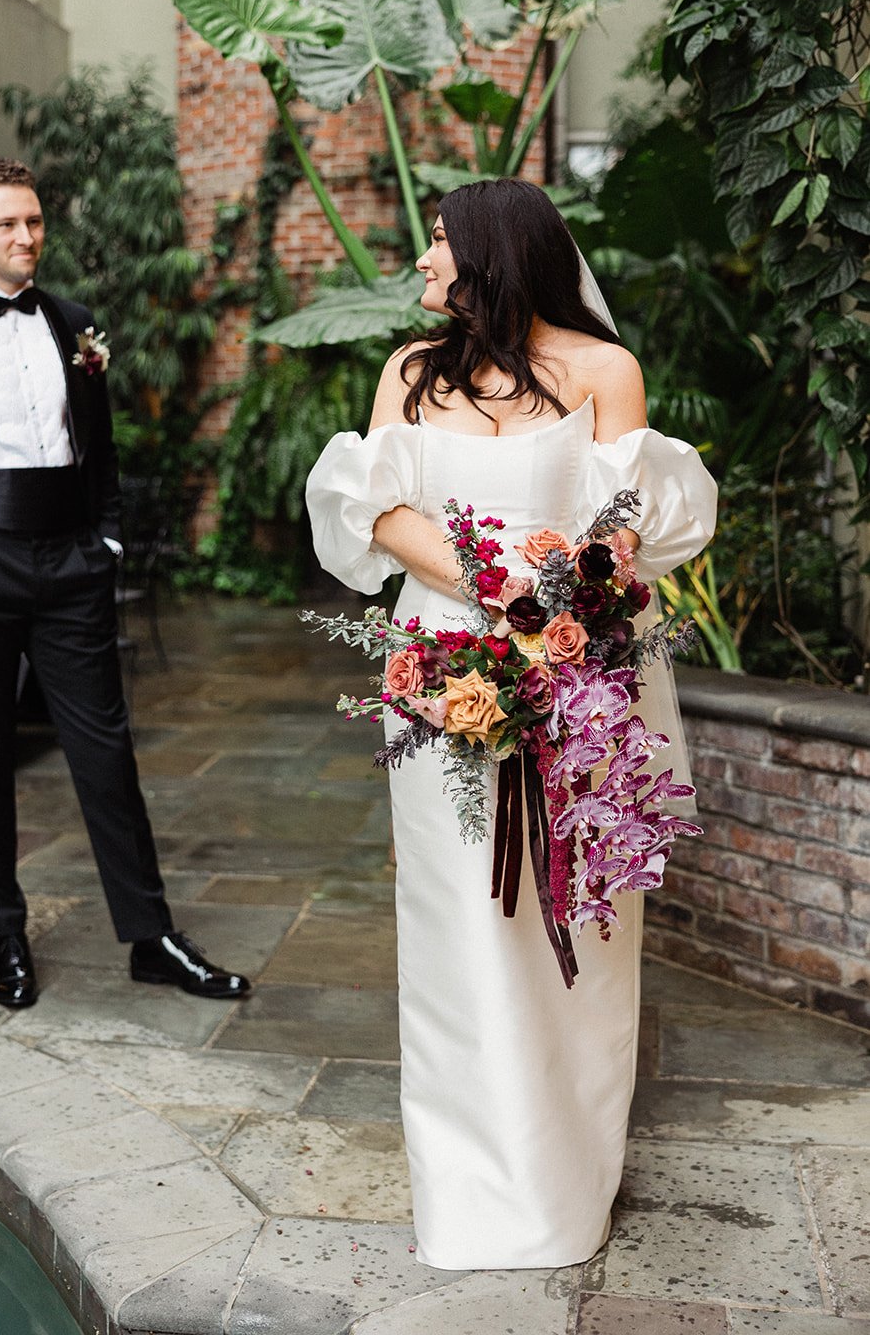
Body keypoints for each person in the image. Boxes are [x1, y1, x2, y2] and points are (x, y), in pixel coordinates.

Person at [305, 178, 716, 1271]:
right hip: (441, 668)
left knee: (571, 920)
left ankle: (559, 1185)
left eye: (436, 244)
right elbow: (375, 511)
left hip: (580, 673)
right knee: (456, 926)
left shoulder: (601, 371)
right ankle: (466, 1192)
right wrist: (497, 592)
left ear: (491, 251)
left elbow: (622, 527)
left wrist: (555, 606)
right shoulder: (407, 372)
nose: (422, 262)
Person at [0, 157, 250, 1010]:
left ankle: (150, 936)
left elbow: (98, 448)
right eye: (7, 225)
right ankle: (4, 935)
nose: (26, 237)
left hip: (70, 560)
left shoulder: (74, 322)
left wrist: (103, 537)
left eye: (33, 222)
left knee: (106, 753)